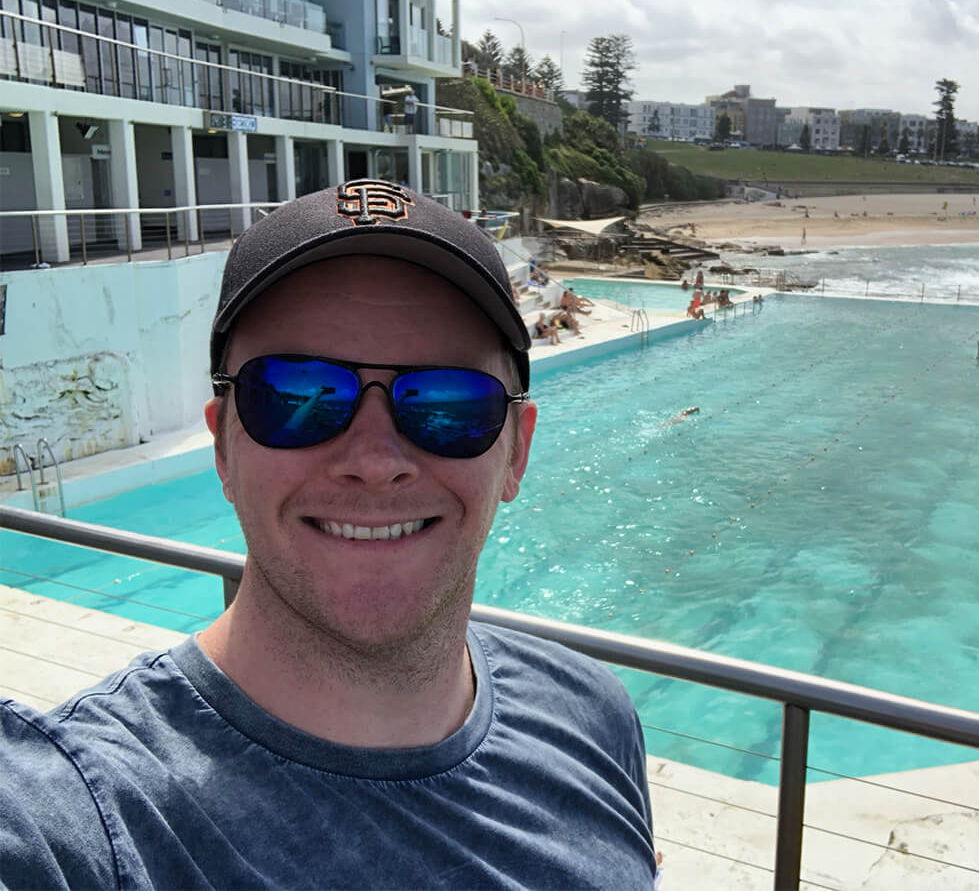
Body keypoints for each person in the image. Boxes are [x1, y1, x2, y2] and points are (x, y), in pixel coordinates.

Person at [0, 180, 655, 887]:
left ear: (515, 452)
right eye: (297, 398)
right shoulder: (88, 816)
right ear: (224, 447)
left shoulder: (593, 717)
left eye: (445, 403)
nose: (374, 462)